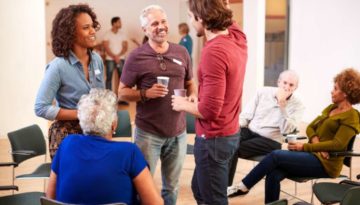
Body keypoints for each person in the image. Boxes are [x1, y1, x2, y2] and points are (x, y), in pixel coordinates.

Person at [229, 68, 360, 204]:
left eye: (336, 88)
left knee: (276, 155)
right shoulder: (331, 108)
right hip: (314, 155)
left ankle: (243, 186)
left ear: (345, 93)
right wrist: (315, 144)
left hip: (326, 163)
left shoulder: (352, 116)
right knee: (273, 173)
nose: (331, 91)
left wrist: (304, 146)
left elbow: (337, 145)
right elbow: (310, 127)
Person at [118, 5, 196, 205]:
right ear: (145, 29)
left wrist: (193, 95)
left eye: (163, 22)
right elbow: (122, 91)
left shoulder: (181, 52)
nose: (160, 27)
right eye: (154, 24)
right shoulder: (136, 56)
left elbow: (189, 82)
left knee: (172, 186)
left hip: (178, 132)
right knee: (141, 186)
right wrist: (145, 93)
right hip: (148, 134)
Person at [171, 0, 248, 204]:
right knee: (199, 189)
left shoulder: (213, 51)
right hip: (230, 133)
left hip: (213, 138)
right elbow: (229, 15)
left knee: (214, 200)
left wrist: (181, 104)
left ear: (201, 18)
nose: (190, 20)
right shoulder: (238, 38)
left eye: (190, 16)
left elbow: (209, 110)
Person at [46, 89, 163, 205]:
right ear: (114, 124)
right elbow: (155, 203)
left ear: (82, 121)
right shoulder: (129, 152)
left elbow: (50, 197)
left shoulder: (67, 144)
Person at [34, 4, 105, 158]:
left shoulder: (97, 60)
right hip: (67, 135)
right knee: (73, 181)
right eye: (86, 27)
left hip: (95, 130)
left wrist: (109, 115)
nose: (93, 31)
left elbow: (101, 97)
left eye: (93, 26)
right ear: (70, 33)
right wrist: (80, 113)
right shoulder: (58, 66)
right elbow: (41, 107)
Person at [227, 70, 305, 192]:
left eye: (291, 85)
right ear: (278, 82)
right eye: (285, 83)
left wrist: (282, 106)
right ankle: (218, 183)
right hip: (250, 131)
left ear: (296, 87)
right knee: (228, 141)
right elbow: (245, 116)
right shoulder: (262, 92)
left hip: (271, 140)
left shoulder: (298, 105)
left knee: (234, 148)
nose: (287, 87)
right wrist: (234, 129)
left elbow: (286, 131)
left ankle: (224, 187)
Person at [103, 16, 128, 96]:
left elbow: (125, 47)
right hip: (109, 59)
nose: (121, 24)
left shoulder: (122, 34)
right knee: (109, 78)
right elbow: (106, 47)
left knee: (122, 79)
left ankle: (121, 97)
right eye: (119, 22)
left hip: (121, 59)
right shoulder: (107, 34)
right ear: (114, 23)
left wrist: (118, 56)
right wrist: (115, 57)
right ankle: (108, 98)